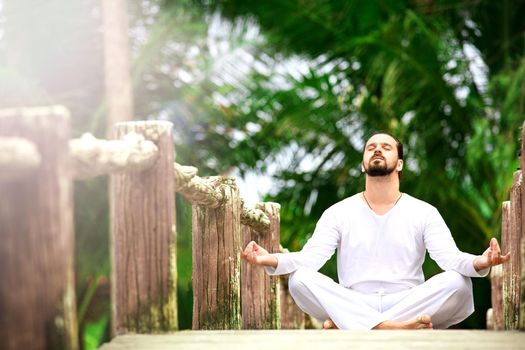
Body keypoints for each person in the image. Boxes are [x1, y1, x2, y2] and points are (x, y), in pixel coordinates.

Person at [241, 132, 510, 330]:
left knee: (459, 283)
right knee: (300, 279)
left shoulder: (424, 212)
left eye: (386, 147)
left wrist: (481, 261)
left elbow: (450, 259)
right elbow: (310, 258)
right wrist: (270, 259)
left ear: (400, 163)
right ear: (363, 164)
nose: (377, 150)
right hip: (354, 299)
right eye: (371, 147)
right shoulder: (338, 212)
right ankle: (390, 327)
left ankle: (355, 324)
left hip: (409, 300)